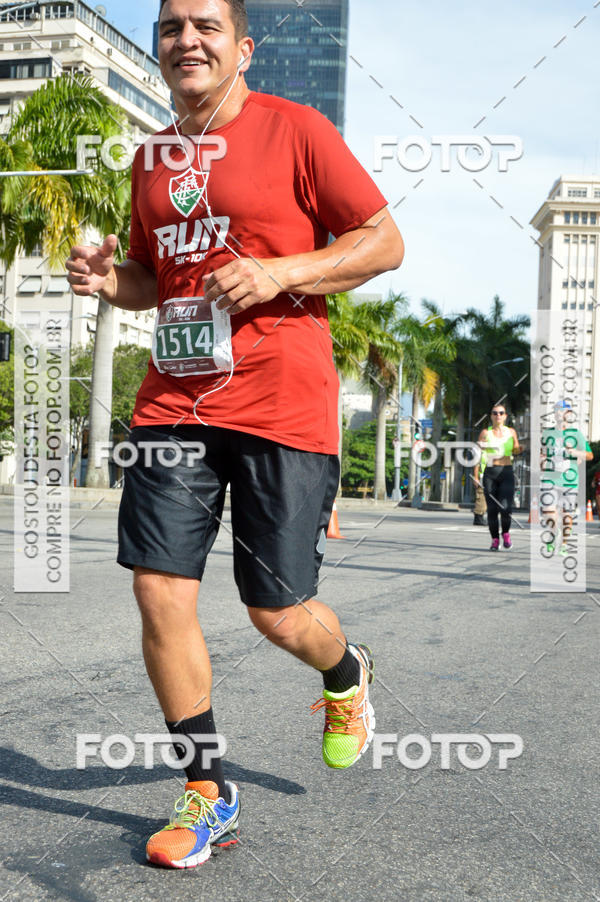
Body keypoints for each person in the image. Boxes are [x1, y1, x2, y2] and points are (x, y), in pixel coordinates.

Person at [67, 0, 404, 872]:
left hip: (282, 403)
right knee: (158, 590)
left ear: (242, 46)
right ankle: (208, 790)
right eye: (172, 25)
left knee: (279, 614)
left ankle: (344, 673)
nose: (188, 38)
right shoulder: (152, 156)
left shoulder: (296, 130)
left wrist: (281, 271)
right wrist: (113, 283)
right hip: (175, 402)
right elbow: (154, 275)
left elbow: (383, 242)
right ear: (160, 47)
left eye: (206, 25)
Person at [539, 400, 593, 555]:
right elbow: (542, 452)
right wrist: (542, 459)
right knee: (548, 512)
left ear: (569, 414)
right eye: (556, 409)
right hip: (549, 477)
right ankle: (554, 532)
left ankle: (564, 542)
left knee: (566, 514)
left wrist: (575, 453)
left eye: (562, 410)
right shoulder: (547, 433)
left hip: (569, 480)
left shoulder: (576, 434)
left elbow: (590, 455)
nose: (558, 412)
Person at [476, 405, 522, 551]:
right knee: (492, 509)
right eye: (495, 413)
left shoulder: (511, 432)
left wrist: (519, 449)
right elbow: (477, 455)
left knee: (506, 507)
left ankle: (506, 533)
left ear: (505, 416)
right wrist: (476, 475)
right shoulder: (485, 433)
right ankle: (495, 539)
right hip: (490, 474)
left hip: (507, 472)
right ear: (491, 416)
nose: (498, 415)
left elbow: (516, 448)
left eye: (501, 413)